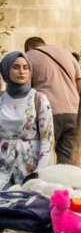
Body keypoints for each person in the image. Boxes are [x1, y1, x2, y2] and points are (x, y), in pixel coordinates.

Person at [24, 36, 80, 164]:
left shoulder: (29, 56)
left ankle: (45, 183)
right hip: (73, 113)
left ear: (29, 48)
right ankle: (65, 183)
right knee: (67, 161)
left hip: (47, 113)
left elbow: (25, 90)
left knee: (43, 157)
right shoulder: (67, 54)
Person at [0, 52, 51, 190]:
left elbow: (47, 139)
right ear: (5, 70)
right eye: (15, 67)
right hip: (3, 167)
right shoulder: (1, 100)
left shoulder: (39, 99)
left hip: (30, 168)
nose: (21, 71)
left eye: (25, 67)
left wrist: (40, 174)